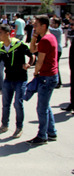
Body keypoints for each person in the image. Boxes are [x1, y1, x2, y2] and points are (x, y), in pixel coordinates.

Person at [0, 24, 35, 138]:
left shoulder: (19, 45)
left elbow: (32, 55)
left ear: (7, 33)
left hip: (20, 79)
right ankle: (4, 125)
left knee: (18, 104)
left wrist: (29, 64)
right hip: (8, 79)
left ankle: (19, 127)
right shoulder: (0, 49)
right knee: (6, 104)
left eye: (0, 33)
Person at [27, 15, 59, 145]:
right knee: (45, 106)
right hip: (50, 76)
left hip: (46, 77)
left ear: (43, 26)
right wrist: (34, 37)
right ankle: (51, 132)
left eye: (36, 25)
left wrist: (35, 73)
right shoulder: (48, 38)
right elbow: (32, 49)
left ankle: (42, 135)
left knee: (41, 108)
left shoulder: (46, 39)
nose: (34, 27)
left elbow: (39, 61)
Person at [48, 17, 63, 88]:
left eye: (52, 23)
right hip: (56, 50)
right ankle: (58, 82)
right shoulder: (56, 29)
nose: (51, 24)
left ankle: (58, 82)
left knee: (55, 66)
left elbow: (50, 29)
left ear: (57, 24)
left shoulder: (58, 30)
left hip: (58, 50)